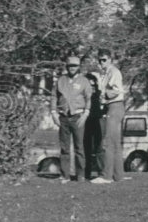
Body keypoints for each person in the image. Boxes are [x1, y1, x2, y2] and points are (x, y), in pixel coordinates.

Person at [50, 53, 91, 183]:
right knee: (64, 148)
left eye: (75, 66)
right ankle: (65, 175)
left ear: (78, 67)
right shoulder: (61, 80)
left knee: (79, 148)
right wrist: (53, 113)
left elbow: (88, 98)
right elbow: (54, 96)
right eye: (70, 65)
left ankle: (80, 175)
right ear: (67, 66)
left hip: (78, 117)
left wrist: (85, 114)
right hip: (63, 117)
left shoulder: (84, 81)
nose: (72, 68)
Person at [91, 49, 126, 184]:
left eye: (104, 60)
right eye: (100, 60)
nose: (101, 62)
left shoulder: (113, 72)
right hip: (112, 106)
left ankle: (106, 176)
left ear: (110, 60)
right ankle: (118, 176)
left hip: (115, 106)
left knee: (108, 142)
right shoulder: (105, 73)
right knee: (116, 143)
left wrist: (103, 95)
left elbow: (117, 91)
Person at [84, 72, 104, 179]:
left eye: (93, 85)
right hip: (87, 122)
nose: (92, 88)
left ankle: (101, 172)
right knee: (86, 148)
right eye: (89, 85)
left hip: (97, 121)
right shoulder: (83, 96)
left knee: (99, 148)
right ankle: (86, 173)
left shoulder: (98, 95)